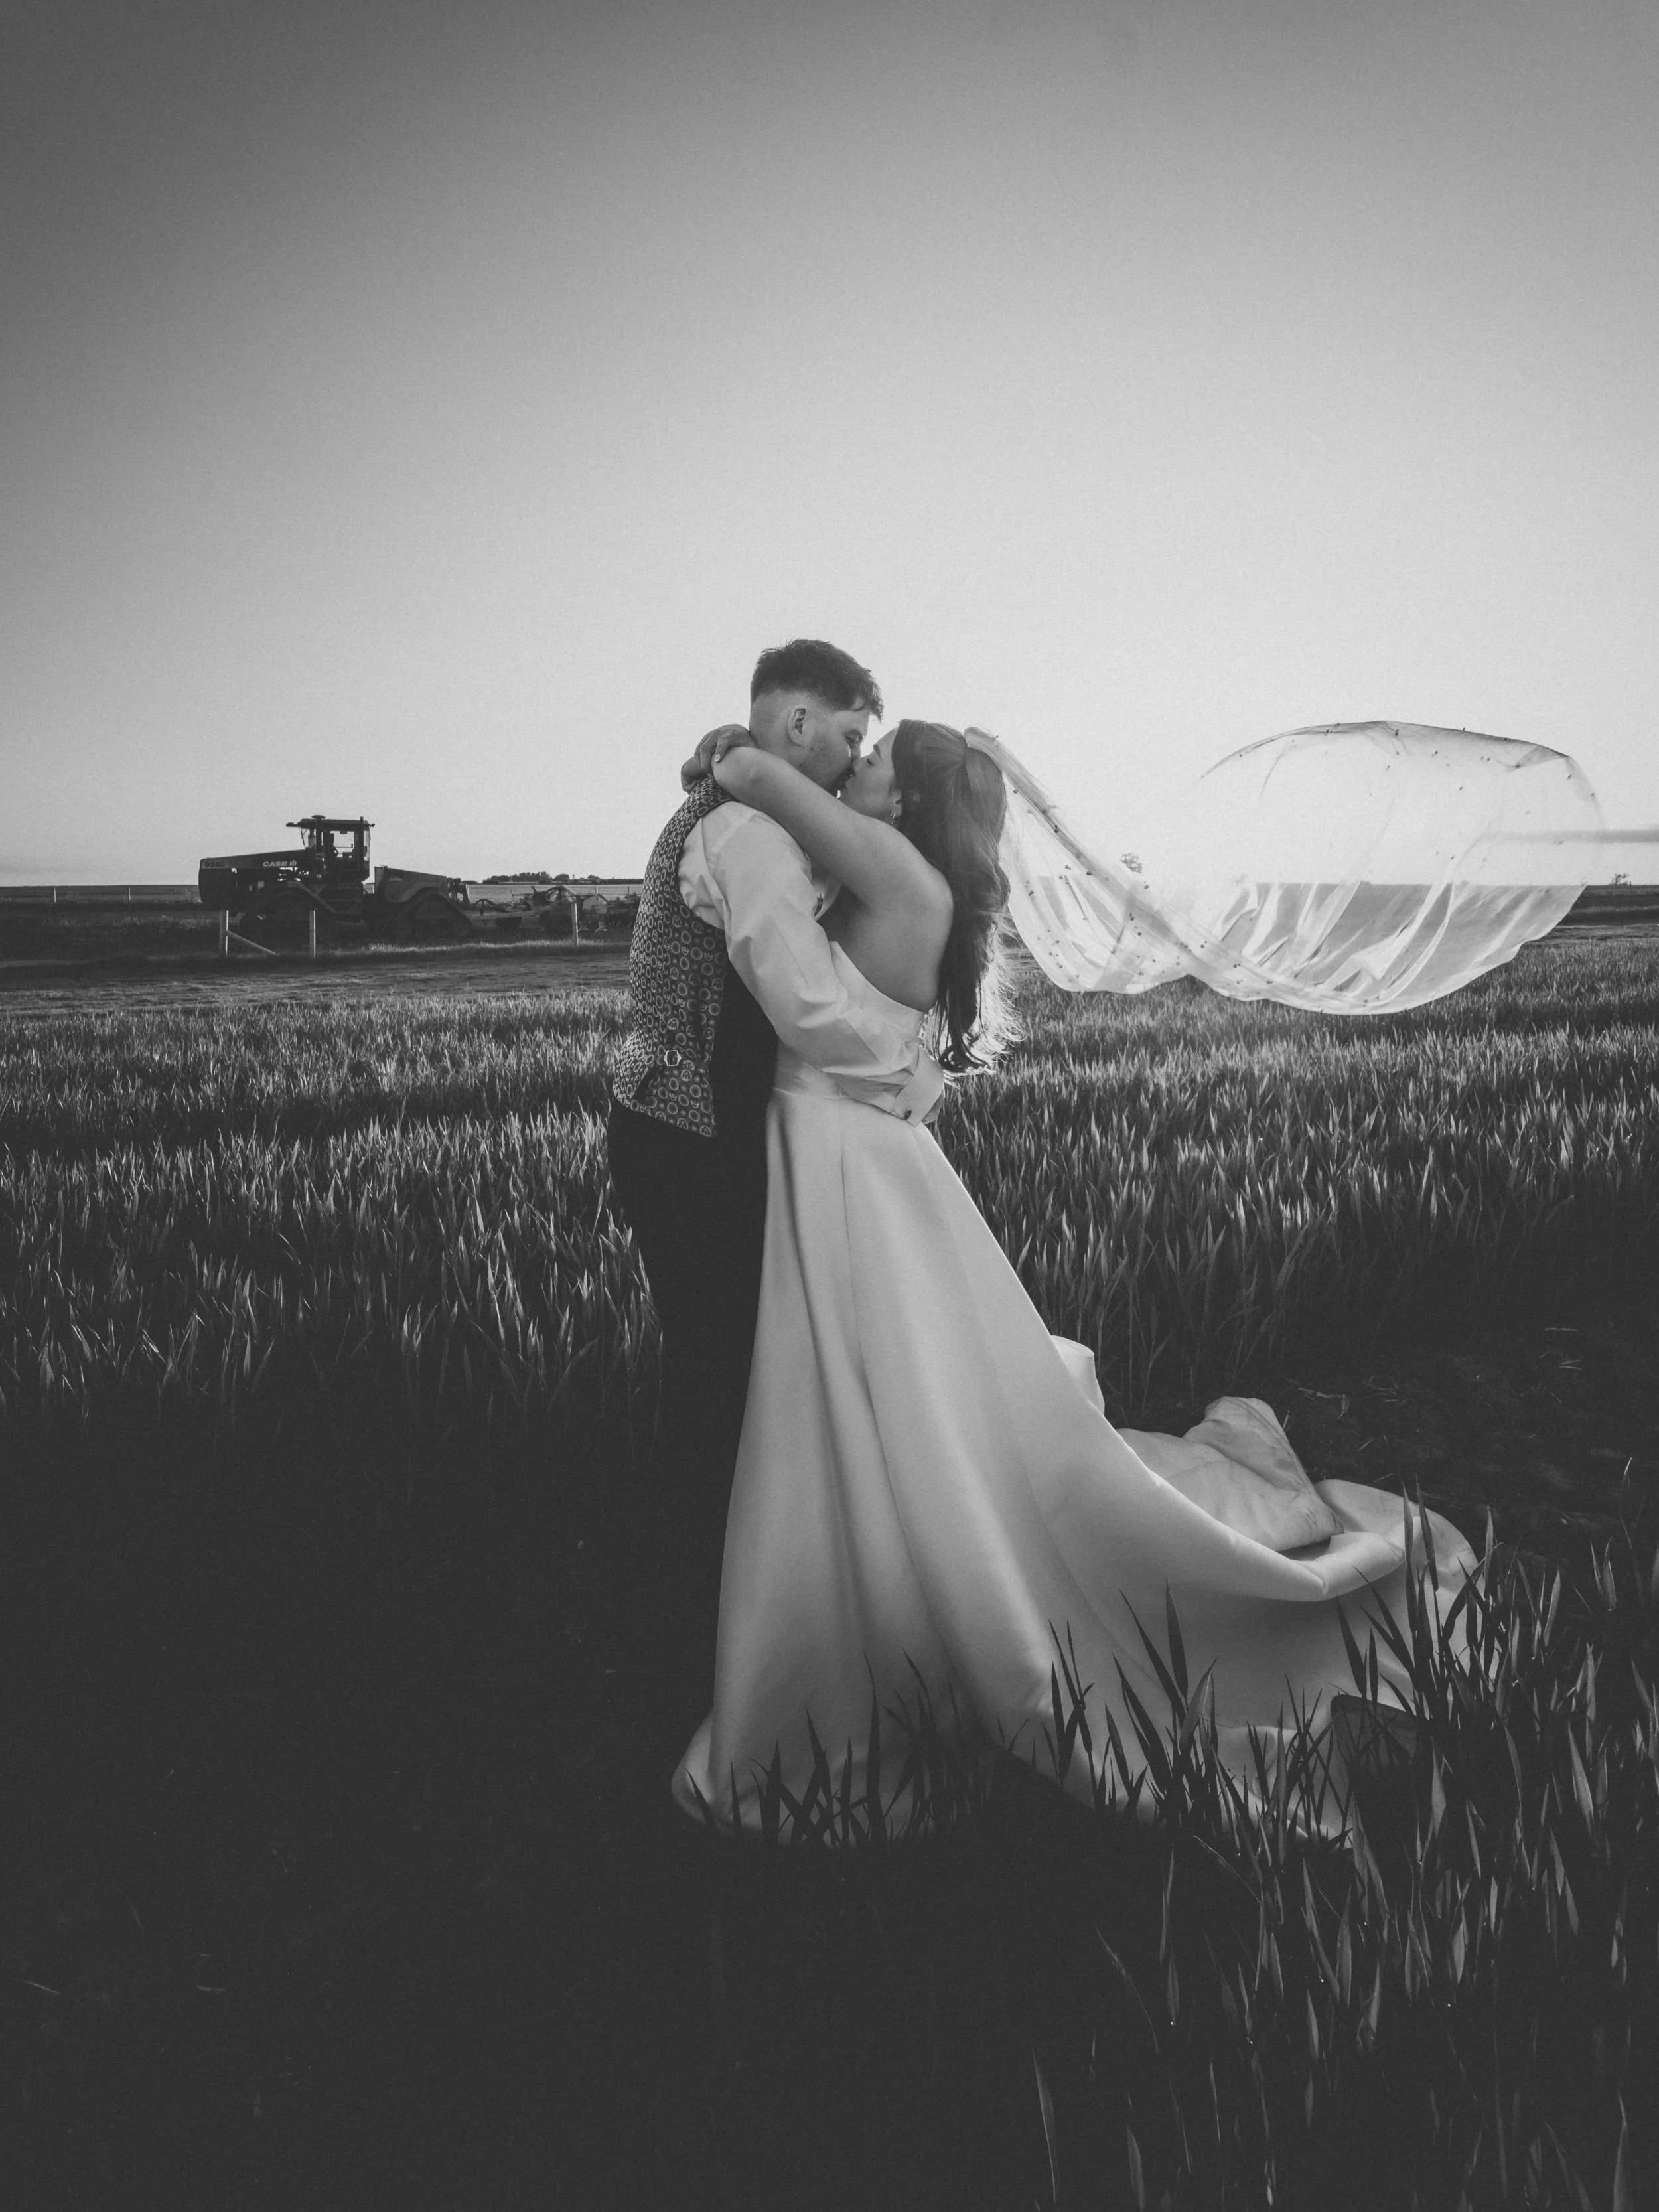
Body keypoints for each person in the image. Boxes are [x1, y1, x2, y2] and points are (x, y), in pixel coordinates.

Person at [668, 718, 1479, 1830]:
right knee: (880, 1408)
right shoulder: (896, 867)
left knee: (881, 1401)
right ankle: (888, 1608)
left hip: (849, 1169)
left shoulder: (900, 871)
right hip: (845, 1162)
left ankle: (886, 1633)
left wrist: (741, 759)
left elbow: (759, 791)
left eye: (867, 762)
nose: (846, 772)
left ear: (904, 804)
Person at [605, 643, 946, 1635]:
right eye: (847, 739)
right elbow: (802, 1004)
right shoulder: (747, 829)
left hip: (692, 1121)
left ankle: (711, 1580)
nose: (851, 762)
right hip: (686, 1130)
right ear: (797, 725)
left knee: (729, 1364)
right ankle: (686, 1597)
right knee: (717, 1370)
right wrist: (908, 1075)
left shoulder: (756, 816)